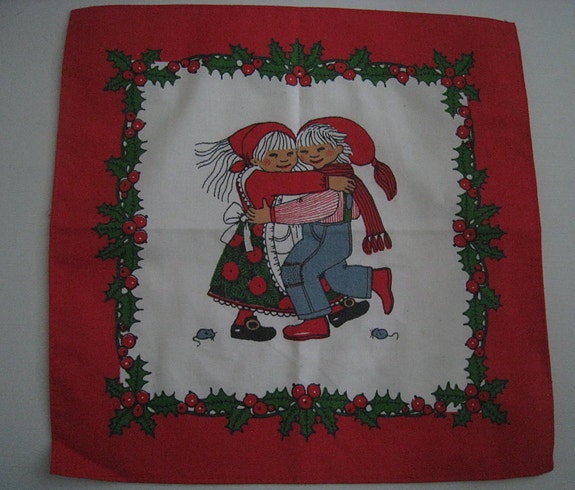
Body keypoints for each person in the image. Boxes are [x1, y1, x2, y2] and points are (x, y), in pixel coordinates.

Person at [195, 122, 356, 341]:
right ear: (256, 160)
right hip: (262, 240)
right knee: (262, 279)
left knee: (302, 270)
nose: (284, 159)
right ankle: (246, 323)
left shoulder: (273, 172)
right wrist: (328, 181)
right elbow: (289, 184)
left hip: (282, 231)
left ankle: (335, 308)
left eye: (290, 153)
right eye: (273, 155)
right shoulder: (257, 176)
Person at [248, 117, 396, 341]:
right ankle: (375, 279)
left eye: (320, 149)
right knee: (336, 276)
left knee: (296, 270)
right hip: (331, 236)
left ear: (338, 149)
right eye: (304, 151)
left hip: (323, 238)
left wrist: (271, 215)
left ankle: (314, 321)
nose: (312, 155)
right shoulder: (338, 176)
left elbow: (307, 209)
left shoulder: (334, 181)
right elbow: (354, 211)